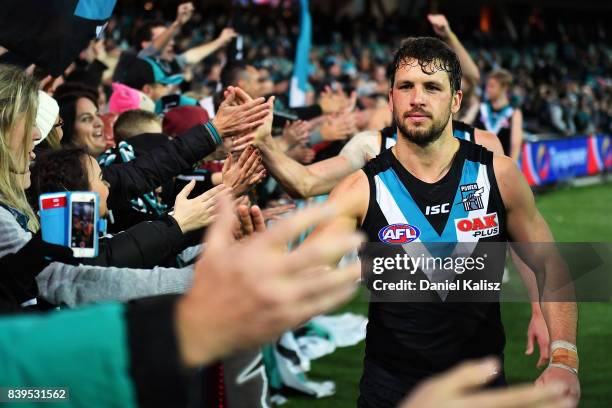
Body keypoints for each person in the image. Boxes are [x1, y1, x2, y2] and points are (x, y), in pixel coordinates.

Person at [299, 37, 579, 407]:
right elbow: (308, 278)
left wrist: (565, 357)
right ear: (391, 99)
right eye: (406, 86)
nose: (417, 98)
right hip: (391, 391)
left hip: (483, 389)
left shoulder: (498, 174)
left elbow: (550, 264)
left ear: (456, 100)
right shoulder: (360, 188)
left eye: (432, 87)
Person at [474, 69, 524, 161]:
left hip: (501, 167)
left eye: (492, 86)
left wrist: (510, 168)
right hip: (479, 165)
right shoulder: (481, 108)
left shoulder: (514, 113)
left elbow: (515, 145)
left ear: (504, 88)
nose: (487, 89)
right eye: (487, 86)